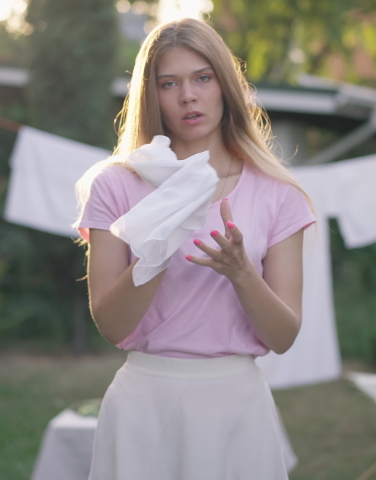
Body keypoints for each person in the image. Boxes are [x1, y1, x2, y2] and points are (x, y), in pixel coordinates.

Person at [74, 17, 315, 480]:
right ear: (152, 96)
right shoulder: (116, 185)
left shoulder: (278, 194)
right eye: (170, 83)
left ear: (225, 85)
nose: (188, 96)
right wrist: (159, 246)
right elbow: (111, 323)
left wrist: (242, 272)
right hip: (145, 404)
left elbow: (283, 337)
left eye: (202, 78)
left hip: (235, 406)